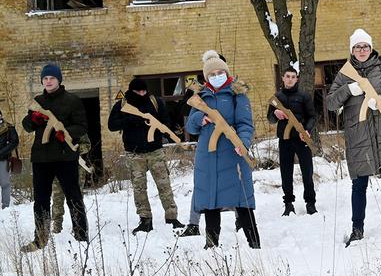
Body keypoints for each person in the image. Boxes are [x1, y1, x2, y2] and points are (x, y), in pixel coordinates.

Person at [326, 29, 381, 243]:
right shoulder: (344, 74)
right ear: (352, 50)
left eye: (365, 46)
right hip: (358, 139)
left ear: (371, 48)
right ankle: (357, 229)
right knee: (359, 186)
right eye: (357, 47)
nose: (361, 50)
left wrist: (379, 100)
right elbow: (330, 103)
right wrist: (348, 90)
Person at [185, 51, 260, 248]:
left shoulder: (237, 94)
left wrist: (242, 143)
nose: (217, 76)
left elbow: (246, 124)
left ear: (226, 73)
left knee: (242, 200)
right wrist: (200, 119)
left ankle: (255, 245)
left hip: (233, 155)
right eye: (212, 73)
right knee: (211, 204)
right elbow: (190, 127)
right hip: (207, 158)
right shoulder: (200, 96)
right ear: (206, 77)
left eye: (220, 72)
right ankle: (211, 247)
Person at [20, 64, 90, 252]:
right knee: (41, 200)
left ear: (59, 80)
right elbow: (26, 126)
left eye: (52, 78)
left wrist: (65, 132)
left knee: (73, 197)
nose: (48, 81)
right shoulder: (38, 101)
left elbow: (82, 126)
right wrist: (33, 119)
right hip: (41, 158)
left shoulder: (73, 101)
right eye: (45, 78)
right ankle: (40, 239)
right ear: (42, 81)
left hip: (65, 157)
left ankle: (81, 236)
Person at [108, 78, 184, 234]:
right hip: (134, 153)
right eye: (138, 92)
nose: (142, 94)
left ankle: (172, 218)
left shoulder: (156, 102)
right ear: (131, 91)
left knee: (164, 185)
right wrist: (131, 120)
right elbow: (112, 125)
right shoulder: (122, 104)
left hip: (155, 150)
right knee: (139, 188)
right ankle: (145, 220)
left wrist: (164, 130)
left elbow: (166, 122)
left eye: (144, 91)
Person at [267, 67, 317, 216]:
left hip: (302, 138)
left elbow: (312, 116)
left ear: (297, 79)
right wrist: (275, 113)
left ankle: (310, 203)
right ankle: (288, 204)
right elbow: (270, 118)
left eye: (293, 77)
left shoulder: (304, 96)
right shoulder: (277, 97)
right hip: (285, 140)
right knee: (286, 173)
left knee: (307, 171)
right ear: (282, 78)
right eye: (287, 76)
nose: (290, 79)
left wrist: (307, 130)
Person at [0, 111, 20, 209]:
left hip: (3, 159)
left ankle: (6, 206)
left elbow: (14, 142)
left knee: (5, 183)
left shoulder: (8, 127)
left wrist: (1, 153)